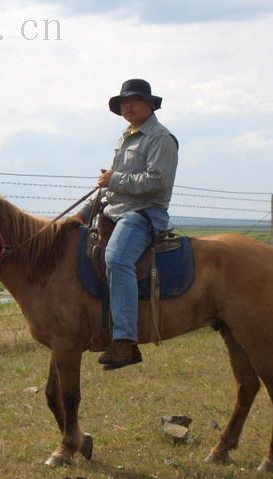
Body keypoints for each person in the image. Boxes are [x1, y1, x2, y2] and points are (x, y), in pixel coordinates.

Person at [77, 78, 179, 370]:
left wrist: (115, 179)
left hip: (143, 213)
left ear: (150, 104)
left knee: (117, 258)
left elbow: (158, 183)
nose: (128, 106)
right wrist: (83, 213)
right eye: (124, 102)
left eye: (134, 100)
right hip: (115, 210)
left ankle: (124, 342)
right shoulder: (126, 137)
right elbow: (111, 188)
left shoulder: (160, 138)